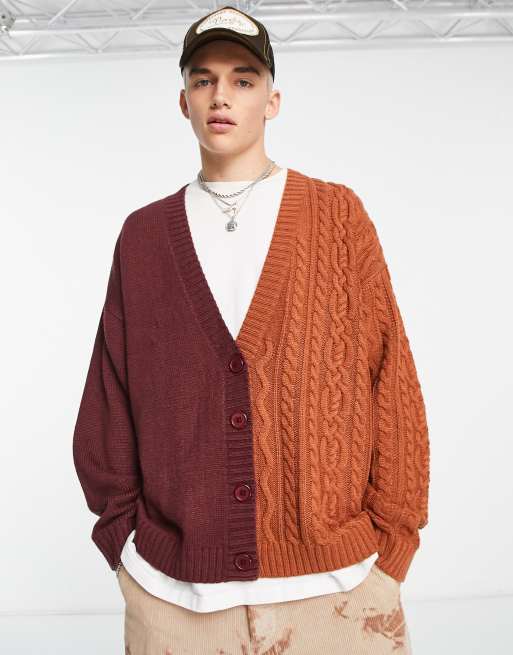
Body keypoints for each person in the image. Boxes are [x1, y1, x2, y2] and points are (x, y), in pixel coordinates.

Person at [72, 5, 430, 653]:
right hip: (176, 597)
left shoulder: (337, 216)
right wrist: (123, 544)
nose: (222, 96)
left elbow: (392, 379)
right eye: (203, 80)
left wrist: (393, 548)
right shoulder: (144, 237)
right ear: (183, 101)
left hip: (338, 589)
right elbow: (109, 396)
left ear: (272, 100)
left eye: (243, 79)